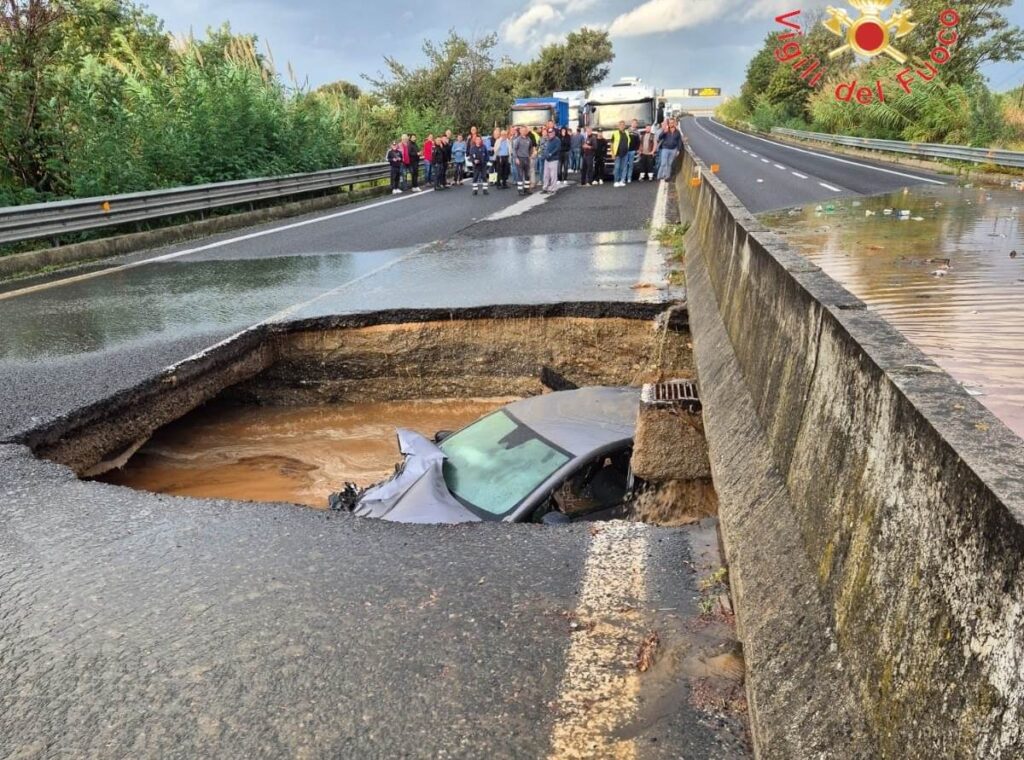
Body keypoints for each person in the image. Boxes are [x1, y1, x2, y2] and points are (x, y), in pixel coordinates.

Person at [513, 126, 533, 196]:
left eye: (525, 130)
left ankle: (526, 189)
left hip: (527, 159)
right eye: (522, 130)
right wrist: (516, 158)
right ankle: (520, 190)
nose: (524, 132)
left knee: (527, 175)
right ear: (520, 131)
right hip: (520, 159)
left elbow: (531, 148)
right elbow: (514, 149)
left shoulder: (529, 139)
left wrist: (530, 156)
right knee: (520, 175)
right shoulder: (518, 140)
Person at [611, 120, 630, 188]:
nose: (622, 126)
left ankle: (622, 180)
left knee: (624, 168)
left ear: (624, 126)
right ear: (618, 126)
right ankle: (616, 181)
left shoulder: (627, 133)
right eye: (620, 125)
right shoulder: (615, 133)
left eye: (623, 125)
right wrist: (612, 153)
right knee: (617, 167)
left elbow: (628, 142)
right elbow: (612, 144)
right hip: (617, 154)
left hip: (625, 153)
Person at [541, 127, 561, 193]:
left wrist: (551, 154)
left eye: (552, 132)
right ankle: (545, 188)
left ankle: (553, 189)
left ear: (554, 132)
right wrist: (545, 155)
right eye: (549, 132)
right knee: (546, 175)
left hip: (554, 160)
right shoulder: (547, 140)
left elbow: (557, 148)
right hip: (547, 160)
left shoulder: (557, 140)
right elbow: (545, 148)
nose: (550, 133)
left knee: (553, 175)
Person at [625, 119, 641, 184]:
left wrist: (638, 149)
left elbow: (639, 142)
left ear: (636, 124)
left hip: (632, 151)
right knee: (625, 164)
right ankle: (624, 177)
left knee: (631, 165)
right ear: (631, 123)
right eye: (633, 123)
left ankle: (629, 178)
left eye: (635, 123)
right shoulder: (627, 131)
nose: (634, 124)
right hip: (626, 150)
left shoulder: (638, 132)